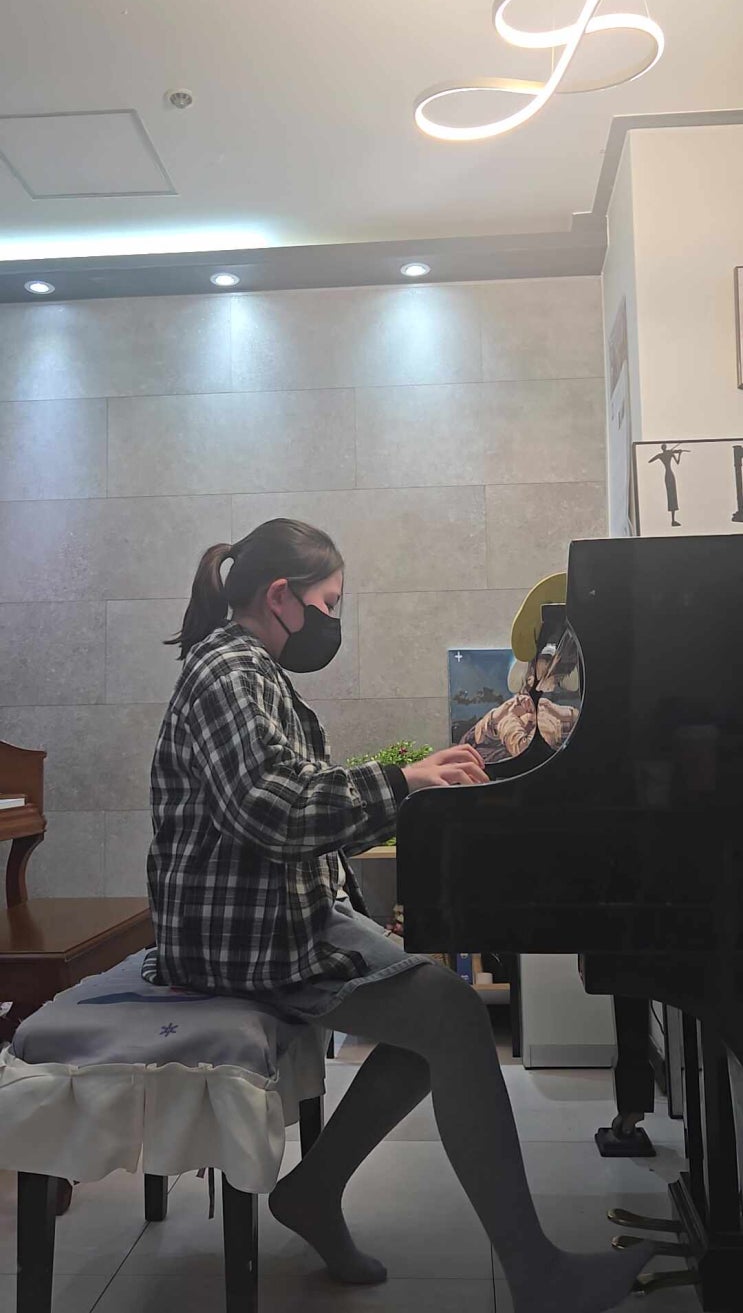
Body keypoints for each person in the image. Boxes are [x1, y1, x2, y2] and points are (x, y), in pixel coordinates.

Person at [144, 517, 652, 1313]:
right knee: (449, 1013)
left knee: (435, 1017)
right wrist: (403, 783)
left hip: (272, 915)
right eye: (329, 601)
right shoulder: (228, 671)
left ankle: (314, 1190)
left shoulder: (248, 669)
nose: (333, 619)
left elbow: (291, 800)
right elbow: (272, 810)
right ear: (280, 597)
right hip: (237, 936)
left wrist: (411, 783)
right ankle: (537, 1274)